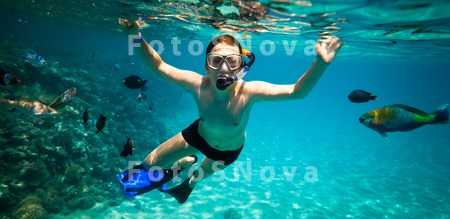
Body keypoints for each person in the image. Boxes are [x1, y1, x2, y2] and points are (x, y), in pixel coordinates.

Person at [118, 18, 343, 204]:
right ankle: (184, 162)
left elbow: (297, 91)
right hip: (198, 136)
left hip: (228, 152)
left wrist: (320, 65)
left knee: (196, 178)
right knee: (148, 164)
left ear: (241, 67)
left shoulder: (250, 91)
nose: (224, 68)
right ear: (207, 66)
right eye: (216, 61)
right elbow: (159, 66)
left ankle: (185, 184)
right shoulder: (198, 84)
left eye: (232, 61)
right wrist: (135, 36)